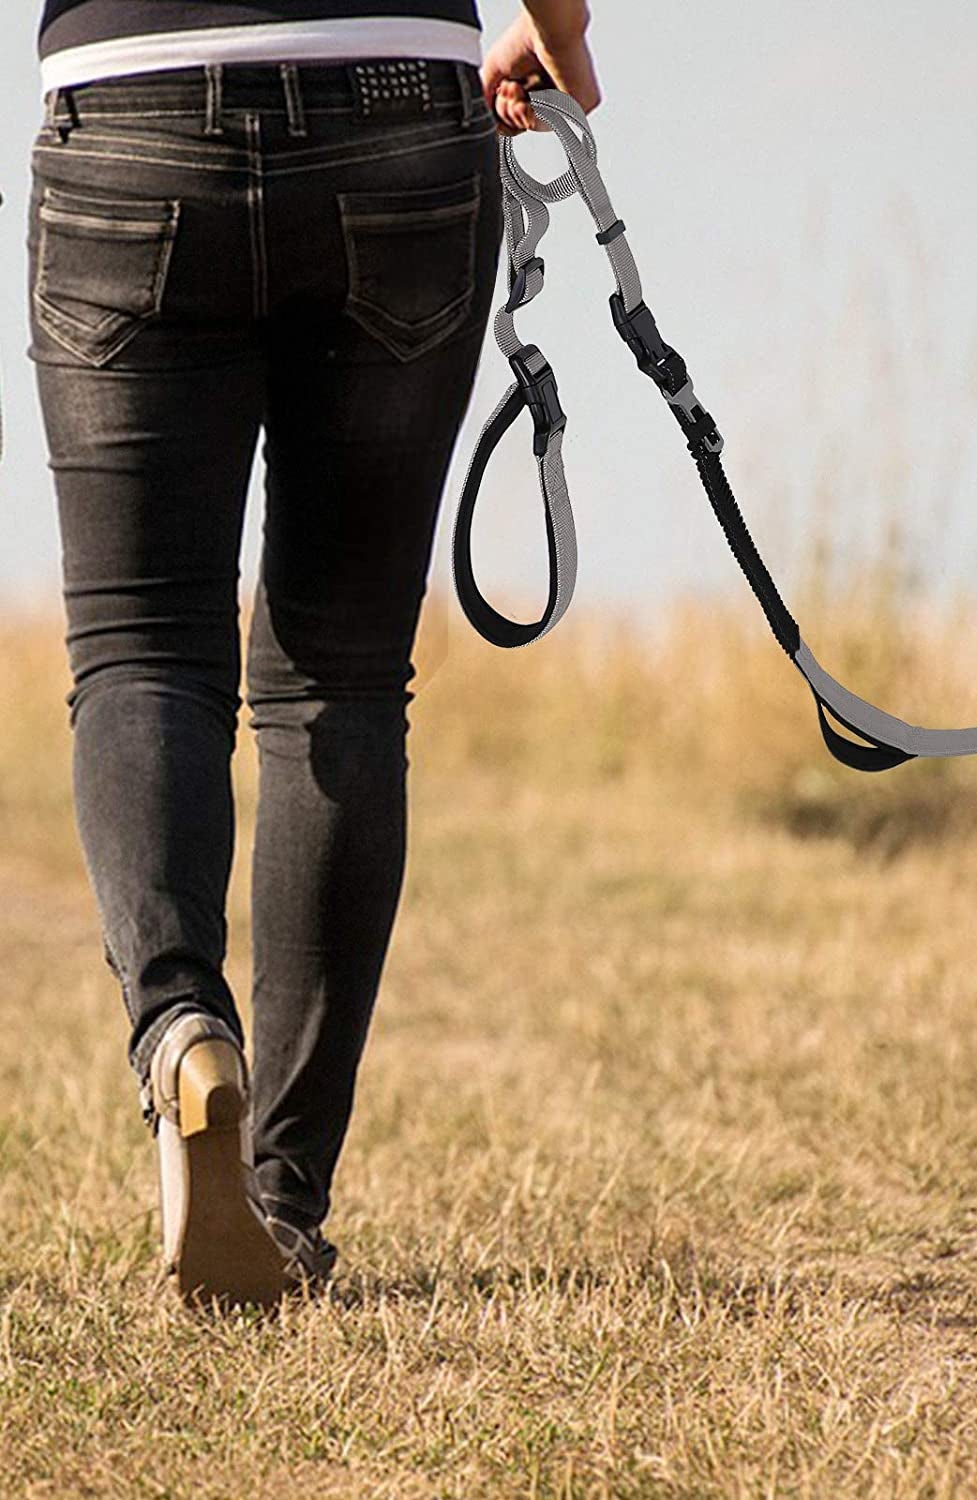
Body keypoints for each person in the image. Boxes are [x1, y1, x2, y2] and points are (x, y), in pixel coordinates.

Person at [28, 0, 600, 1307]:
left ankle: (180, 1029)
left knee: (142, 645)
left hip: (128, 100)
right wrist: (558, 31)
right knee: (339, 675)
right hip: (396, 103)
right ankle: (280, 1196)